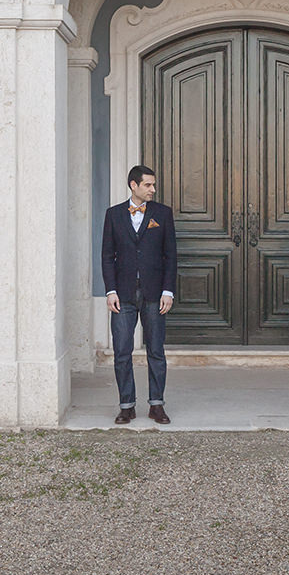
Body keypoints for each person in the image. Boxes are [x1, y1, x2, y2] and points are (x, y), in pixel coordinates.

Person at [101, 164, 177, 425]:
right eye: (148, 185)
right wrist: (110, 291)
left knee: (156, 349)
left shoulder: (163, 214)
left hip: (155, 293)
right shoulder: (113, 215)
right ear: (133, 185)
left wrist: (168, 290)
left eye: (153, 185)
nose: (153, 189)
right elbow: (107, 257)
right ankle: (127, 405)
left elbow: (171, 256)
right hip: (122, 294)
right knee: (122, 351)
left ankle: (157, 405)